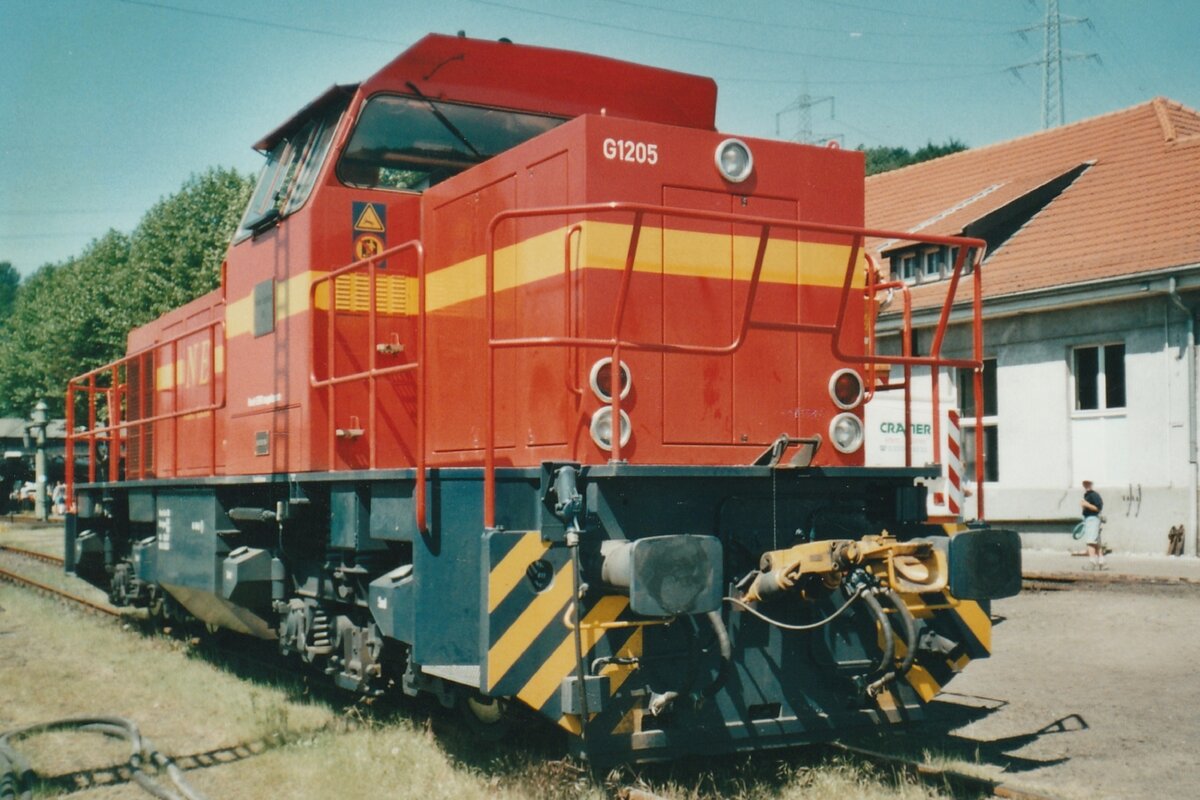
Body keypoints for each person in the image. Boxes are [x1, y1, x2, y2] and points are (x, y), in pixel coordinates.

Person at [1081, 480, 1105, 570]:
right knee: (1096, 542)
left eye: (1088, 483)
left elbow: (1098, 508)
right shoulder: (1088, 495)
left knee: (1090, 541)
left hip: (1092, 519)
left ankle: (1092, 562)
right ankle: (1102, 561)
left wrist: (1086, 504)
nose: (1086, 485)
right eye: (1085, 483)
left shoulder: (1093, 495)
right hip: (1091, 519)